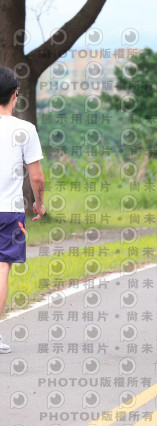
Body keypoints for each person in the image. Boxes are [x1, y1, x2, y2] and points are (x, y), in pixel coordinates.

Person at [0, 67, 46, 354]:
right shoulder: (25, 129)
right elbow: (37, 176)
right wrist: (39, 202)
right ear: (15, 95)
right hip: (9, 211)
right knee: (1, 267)